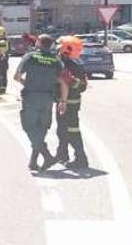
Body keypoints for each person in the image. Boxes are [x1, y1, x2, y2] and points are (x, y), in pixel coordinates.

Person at [14, 34, 62, 172]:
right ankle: (33, 162)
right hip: (48, 98)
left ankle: (47, 156)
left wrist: (27, 83)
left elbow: (17, 77)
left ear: (39, 43)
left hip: (31, 98)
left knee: (29, 128)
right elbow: (62, 80)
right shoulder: (55, 60)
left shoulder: (30, 57)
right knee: (41, 129)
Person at [55, 36, 89, 169]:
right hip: (66, 100)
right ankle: (62, 154)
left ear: (66, 48)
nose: (57, 48)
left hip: (68, 102)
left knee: (71, 130)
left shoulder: (68, 64)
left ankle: (81, 158)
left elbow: (82, 86)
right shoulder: (74, 62)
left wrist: (69, 80)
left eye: (60, 46)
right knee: (62, 129)